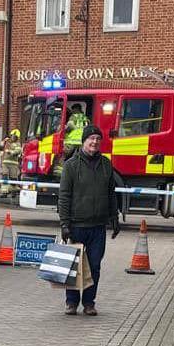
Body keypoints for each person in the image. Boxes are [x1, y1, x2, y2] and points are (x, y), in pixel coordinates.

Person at [58, 124, 120, 316]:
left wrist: (114, 217)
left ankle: (89, 303)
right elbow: (64, 196)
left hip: (97, 227)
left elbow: (111, 193)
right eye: (91, 139)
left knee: (94, 266)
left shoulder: (106, 164)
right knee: (74, 267)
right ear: (84, 141)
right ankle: (71, 302)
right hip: (77, 225)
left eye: (97, 139)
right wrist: (64, 223)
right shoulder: (71, 166)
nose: (94, 142)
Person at [0, 129, 23, 198]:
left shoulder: (18, 144)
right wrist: (3, 142)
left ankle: (14, 192)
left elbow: (18, 151)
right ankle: (4, 192)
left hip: (13, 164)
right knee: (4, 176)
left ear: (17, 137)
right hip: (5, 163)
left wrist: (10, 152)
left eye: (15, 136)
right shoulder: (7, 142)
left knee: (13, 178)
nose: (13, 137)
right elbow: (1, 147)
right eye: (12, 135)